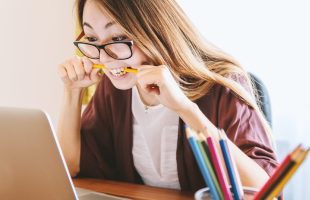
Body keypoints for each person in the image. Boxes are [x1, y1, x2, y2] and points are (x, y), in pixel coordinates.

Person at [57, 0, 278, 192]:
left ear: (154, 30)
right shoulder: (113, 88)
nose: (105, 58)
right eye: (93, 39)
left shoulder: (221, 85)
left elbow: (263, 191)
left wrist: (185, 108)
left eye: (118, 37)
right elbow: (70, 166)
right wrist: (73, 92)